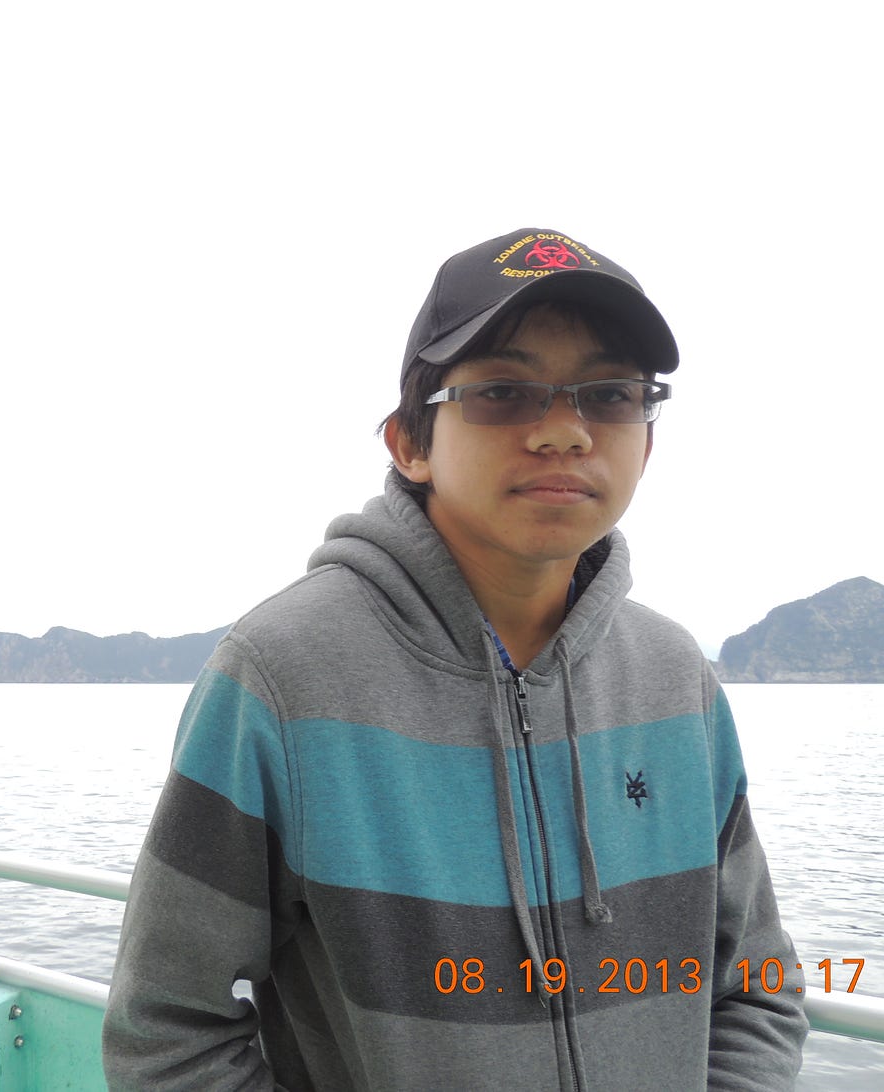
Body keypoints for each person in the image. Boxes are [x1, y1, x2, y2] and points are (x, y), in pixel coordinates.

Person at [102, 228, 807, 1090]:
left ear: (648, 441)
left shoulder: (675, 680)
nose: (565, 432)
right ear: (410, 442)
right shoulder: (284, 680)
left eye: (610, 395)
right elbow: (167, 1032)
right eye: (504, 392)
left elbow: (757, 986)